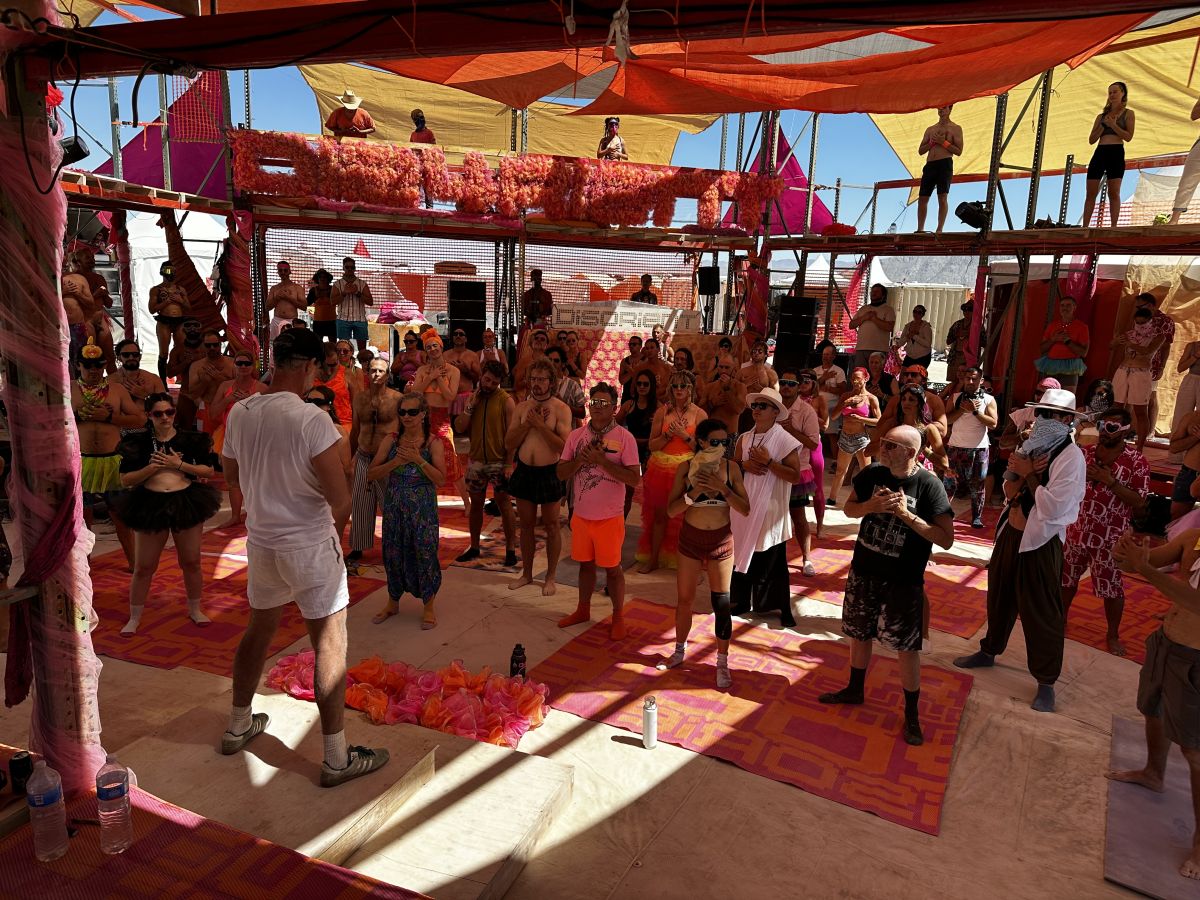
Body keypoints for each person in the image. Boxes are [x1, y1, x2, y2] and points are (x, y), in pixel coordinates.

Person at [220, 328, 389, 787]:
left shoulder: (241, 411)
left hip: (263, 541)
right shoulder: (312, 419)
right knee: (330, 642)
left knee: (259, 628)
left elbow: (230, 475)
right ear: (311, 366)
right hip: (308, 542)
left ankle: (238, 724)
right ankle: (336, 757)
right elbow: (340, 498)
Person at [818, 425, 955, 745]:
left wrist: (906, 515)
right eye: (884, 442)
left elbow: (946, 539)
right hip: (864, 571)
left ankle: (911, 713)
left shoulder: (929, 486)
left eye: (892, 445)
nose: (883, 448)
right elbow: (850, 508)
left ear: (911, 453)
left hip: (903, 580)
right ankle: (855, 689)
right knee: (858, 633)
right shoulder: (873, 473)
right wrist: (871, 507)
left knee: (906, 648)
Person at [954, 388, 1087, 713]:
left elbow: (1054, 508)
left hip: (1040, 541)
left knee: (1041, 610)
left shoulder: (1071, 458)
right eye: (1042, 413)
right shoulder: (1029, 447)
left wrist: (1030, 475)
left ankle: (1046, 681)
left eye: (1053, 415)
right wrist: (1023, 475)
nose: (1045, 420)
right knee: (1000, 595)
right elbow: (1008, 487)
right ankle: (989, 650)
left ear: (1067, 421)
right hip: (1011, 533)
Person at [1106, 527, 1200, 880]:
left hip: (1196, 658)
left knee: (1195, 751)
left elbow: (1196, 602)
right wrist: (1127, 554)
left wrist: (1143, 568)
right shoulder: (1195, 536)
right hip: (1168, 641)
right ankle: (1153, 773)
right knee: (1152, 708)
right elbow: (1142, 561)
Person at [115, 393, 221, 635]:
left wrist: (179, 465)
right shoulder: (139, 442)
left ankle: (195, 609)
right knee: (144, 566)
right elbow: (125, 479)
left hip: (186, 500)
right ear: (149, 415)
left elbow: (208, 470)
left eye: (169, 412)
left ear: (174, 412)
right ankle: (134, 617)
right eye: (158, 413)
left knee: (191, 561)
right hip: (150, 503)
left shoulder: (190, 439)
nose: (165, 417)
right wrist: (151, 468)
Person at [660, 418, 751, 688]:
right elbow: (671, 510)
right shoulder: (686, 467)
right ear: (700, 442)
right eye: (714, 442)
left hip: (720, 541)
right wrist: (696, 491)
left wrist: (723, 489)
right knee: (684, 599)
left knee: (721, 603)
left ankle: (722, 662)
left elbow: (745, 508)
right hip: (691, 539)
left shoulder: (731, 468)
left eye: (725, 442)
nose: (720, 447)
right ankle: (679, 651)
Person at [1060, 407, 1149, 656]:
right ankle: (1060, 620)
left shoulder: (1137, 461)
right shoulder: (1084, 453)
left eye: (1112, 427)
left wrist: (1110, 481)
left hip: (1110, 535)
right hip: (1077, 529)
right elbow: (1066, 485)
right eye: (1102, 426)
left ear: (1125, 430)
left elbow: (1139, 501)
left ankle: (1113, 634)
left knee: (1112, 588)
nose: (1105, 431)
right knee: (1065, 580)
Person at [556, 383, 641, 639]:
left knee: (613, 569)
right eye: (594, 402)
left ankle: (618, 617)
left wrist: (602, 461)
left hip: (610, 516)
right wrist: (580, 460)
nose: (597, 407)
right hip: (582, 514)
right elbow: (560, 473)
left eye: (603, 403)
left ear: (614, 408)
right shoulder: (576, 436)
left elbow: (634, 479)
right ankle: (583, 609)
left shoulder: (625, 438)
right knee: (585, 565)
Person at [368, 392, 446, 629]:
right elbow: (371, 473)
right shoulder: (391, 440)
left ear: (423, 414)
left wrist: (418, 459)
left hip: (422, 508)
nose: (407, 417)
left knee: (424, 551)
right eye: (402, 412)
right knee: (393, 551)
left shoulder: (432, 443)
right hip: (395, 505)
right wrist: (396, 463)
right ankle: (393, 602)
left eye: (412, 412)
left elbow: (441, 479)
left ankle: (429, 605)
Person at [729, 387, 802, 626]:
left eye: (763, 406)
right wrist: (745, 465)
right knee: (741, 550)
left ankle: (775, 606)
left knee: (771, 557)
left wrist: (769, 462)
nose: (757, 410)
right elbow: (733, 465)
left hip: (771, 508)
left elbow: (795, 476)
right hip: (745, 504)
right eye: (755, 405)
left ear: (775, 412)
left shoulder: (785, 439)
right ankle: (740, 601)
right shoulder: (744, 437)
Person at [74, 339, 144, 564]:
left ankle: (134, 562)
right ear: (78, 365)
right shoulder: (69, 390)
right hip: (82, 461)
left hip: (112, 460)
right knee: (83, 519)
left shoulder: (116, 389)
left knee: (121, 516)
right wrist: (76, 416)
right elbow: (51, 421)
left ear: (105, 365)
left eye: (98, 365)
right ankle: (85, 567)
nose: (93, 370)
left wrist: (111, 417)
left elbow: (140, 419)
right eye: (88, 365)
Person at [506, 358, 572, 594]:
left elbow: (564, 447)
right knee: (526, 525)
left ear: (551, 382)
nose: (536, 383)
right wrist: (528, 424)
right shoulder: (522, 407)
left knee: (552, 525)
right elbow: (509, 443)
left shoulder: (561, 409)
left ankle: (550, 577)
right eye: (533, 379)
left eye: (542, 379)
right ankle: (526, 574)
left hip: (549, 472)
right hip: (525, 470)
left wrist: (541, 426)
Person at [452, 361, 517, 566]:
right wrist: (470, 407)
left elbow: (512, 436)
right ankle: (474, 546)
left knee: (504, 504)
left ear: (500, 383)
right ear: (481, 375)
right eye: (487, 379)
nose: (488, 385)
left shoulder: (506, 401)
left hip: (499, 461)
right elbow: (459, 427)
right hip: (477, 460)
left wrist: (508, 464)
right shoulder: (473, 398)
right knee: (476, 505)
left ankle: (510, 550)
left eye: (494, 382)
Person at [638, 372, 704, 573]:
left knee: (686, 519)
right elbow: (652, 445)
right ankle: (654, 559)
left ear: (690, 388)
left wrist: (684, 435)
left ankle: (687, 563)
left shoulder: (700, 414)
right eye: (675, 386)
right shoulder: (662, 412)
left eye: (683, 386)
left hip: (686, 470)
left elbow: (704, 449)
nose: (678, 390)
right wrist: (667, 435)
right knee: (660, 516)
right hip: (661, 468)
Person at [346, 357, 401, 564]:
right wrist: (349, 459)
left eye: (381, 371)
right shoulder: (360, 399)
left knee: (391, 506)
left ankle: (394, 548)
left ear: (387, 375)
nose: (376, 374)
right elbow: (356, 430)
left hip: (387, 459)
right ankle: (358, 547)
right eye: (373, 370)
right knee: (360, 504)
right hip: (363, 455)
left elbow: (403, 430)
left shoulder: (397, 399)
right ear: (367, 373)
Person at [208, 349, 265, 525]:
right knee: (232, 478)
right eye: (239, 363)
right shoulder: (225, 386)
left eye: (247, 363)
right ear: (234, 365)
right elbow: (213, 414)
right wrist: (228, 399)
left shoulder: (261, 388)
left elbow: (268, 416)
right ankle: (235, 516)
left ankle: (257, 514)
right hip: (228, 435)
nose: (243, 367)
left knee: (255, 478)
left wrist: (250, 401)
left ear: (253, 366)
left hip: (253, 437)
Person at [408, 332, 464, 501]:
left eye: (435, 346)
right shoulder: (422, 370)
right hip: (424, 419)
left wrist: (438, 378)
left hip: (442, 419)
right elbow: (415, 393)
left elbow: (450, 396)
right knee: (422, 458)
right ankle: (423, 499)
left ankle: (466, 502)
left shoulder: (453, 371)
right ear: (425, 351)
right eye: (428, 347)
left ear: (441, 347)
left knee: (451, 461)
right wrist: (430, 377)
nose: (432, 349)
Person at [944, 366, 999, 529]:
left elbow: (993, 424)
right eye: (967, 378)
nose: (970, 381)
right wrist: (962, 410)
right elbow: (946, 420)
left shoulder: (989, 399)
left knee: (977, 485)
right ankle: (943, 513)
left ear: (981, 381)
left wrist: (975, 412)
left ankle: (976, 517)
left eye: (974, 378)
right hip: (955, 447)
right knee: (949, 484)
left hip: (979, 449)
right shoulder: (955, 397)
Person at [779, 368, 821, 576]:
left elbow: (813, 444)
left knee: (798, 516)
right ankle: (773, 558)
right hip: (771, 468)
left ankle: (806, 559)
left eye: (791, 383)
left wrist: (791, 431)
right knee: (771, 515)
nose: (786, 387)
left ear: (798, 387)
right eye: (783, 382)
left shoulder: (806, 411)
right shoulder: (771, 406)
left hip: (797, 469)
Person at [1111, 300, 1166, 453]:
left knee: (1140, 411)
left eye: (1143, 323)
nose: (1140, 326)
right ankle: (1115, 441)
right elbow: (1111, 347)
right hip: (1123, 370)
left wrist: (1130, 344)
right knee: (1117, 408)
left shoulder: (1158, 336)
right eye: (1137, 322)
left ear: (1150, 321)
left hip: (1141, 372)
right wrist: (1115, 341)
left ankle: (1140, 448)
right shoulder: (1129, 334)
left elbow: (1147, 351)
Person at [1083, 81, 1135, 228]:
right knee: (1091, 192)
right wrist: (1103, 125)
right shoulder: (1101, 116)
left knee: (1114, 192)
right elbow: (1091, 140)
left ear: (1123, 93)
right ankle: (1085, 226)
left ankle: (1113, 226)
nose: (1112, 95)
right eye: (1110, 92)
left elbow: (1128, 137)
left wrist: (1113, 125)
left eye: (1115, 92)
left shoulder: (1128, 113)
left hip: (1116, 152)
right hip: (1100, 152)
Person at [827, 368, 881, 508]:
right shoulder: (846, 396)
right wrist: (845, 404)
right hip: (845, 436)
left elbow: (879, 421)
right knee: (840, 470)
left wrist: (860, 419)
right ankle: (832, 498)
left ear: (866, 379)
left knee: (866, 472)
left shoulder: (871, 398)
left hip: (861, 438)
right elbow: (834, 416)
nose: (855, 381)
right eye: (853, 379)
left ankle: (867, 499)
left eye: (858, 378)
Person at [616, 367, 657, 518]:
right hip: (630, 451)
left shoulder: (658, 408)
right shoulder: (629, 405)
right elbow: (614, 426)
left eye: (646, 384)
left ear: (651, 386)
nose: (642, 387)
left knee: (650, 492)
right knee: (627, 491)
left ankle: (650, 525)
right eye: (639, 383)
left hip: (648, 452)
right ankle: (621, 524)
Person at [915, 105, 963, 233]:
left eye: (944, 107)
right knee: (922, 198)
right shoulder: (930, 129)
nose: (941, 110)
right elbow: (921, 151)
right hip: (930, 164)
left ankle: (939, 229)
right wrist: (931, 143)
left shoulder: (956, 128)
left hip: (944, 164)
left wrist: (943, 142)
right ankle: (920, 229)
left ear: (950, 109)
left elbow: (959, 151)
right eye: (939, 108)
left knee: (942, 197)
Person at [795, 368, 829, 534]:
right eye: (800, 381)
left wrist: (809, 414)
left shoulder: (819, 399)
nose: (803, 385)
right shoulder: (793, 399)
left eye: (807, 381)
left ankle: (820, 525)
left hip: (813, 446)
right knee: (791, 484)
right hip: (795, 446)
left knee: (818, 487)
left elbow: (826, 425)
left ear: (814, 383)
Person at [73, 248, 115, 374]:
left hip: (100, 318)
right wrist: (96, 294)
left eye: (92, 258)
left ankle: (114, 383)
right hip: (86, 320)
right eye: (87, 258)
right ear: (78, 262)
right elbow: (78, 303)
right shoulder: (75, 278)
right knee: (90, 357)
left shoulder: (99, 278)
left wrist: (105, 295)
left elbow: (109, 304)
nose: (92, 260)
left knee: (110, 357)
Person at [1034, 296, 1089, 393]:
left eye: (1068, 305)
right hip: (1051, 365)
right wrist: (1053, 339)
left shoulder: (1082, 327)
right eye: (1062, 305)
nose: (1065, 308)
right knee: (1048, 396)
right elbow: (1042, 349)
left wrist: (1067, 341)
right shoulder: (1052, 325)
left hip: (1070, 367)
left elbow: (1083, 353)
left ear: (1074, 307)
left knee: (1067, 397)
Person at [148, 260, 189, 383]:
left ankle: (182, 379)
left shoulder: (180, 289)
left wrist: (180, 300)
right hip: (164, 321)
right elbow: (152, 310)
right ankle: (163, 382)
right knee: (164, 352)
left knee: (181, 350)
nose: (170, 273)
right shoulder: (156, 290)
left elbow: (189, 307)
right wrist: (167, 302)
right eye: (168, 270)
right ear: (162, 272)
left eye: (172, 270)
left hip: (179, 321)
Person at [188, 331, 235, 434]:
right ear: (203, 346)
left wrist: (219, 379)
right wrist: (204, 382)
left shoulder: (232, 363)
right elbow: (192, 394)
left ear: (220, 344)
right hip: (206, 410)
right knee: (205, 441)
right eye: (208, 345)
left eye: (215, 345)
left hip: (228, 409)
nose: (212, 348)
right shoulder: (196, 366)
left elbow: (239, 388)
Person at [166, 319, 208, 429]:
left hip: (206, 393)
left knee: (208, 427)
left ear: (201, 327)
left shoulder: (208, 347)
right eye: (188, 325)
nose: (192, 328)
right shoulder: (177, 350)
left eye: (196, 325)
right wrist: (185, 363)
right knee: (183, 428)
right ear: (183, 329)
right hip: (186, 393)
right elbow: (169, 373)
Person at [848, 284, 897, 371]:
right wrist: (864, 317)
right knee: (860, 374)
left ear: (883, 295)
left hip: (879, 349)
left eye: (877, 291)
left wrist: (874, 319)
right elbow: (851, 325)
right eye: (872, 291)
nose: (873, 293)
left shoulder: (888, 309)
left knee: (876, 375)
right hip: (861, 348)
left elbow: (889, 327)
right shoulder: (863, 309)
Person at [61, 254, 97, 371]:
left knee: (81, 362)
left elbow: (91, 304)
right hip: (58, 328)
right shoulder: (48, 279)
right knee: (63, 363)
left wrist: (79, 294)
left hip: (77, 326)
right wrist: (62, 292)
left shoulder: (80, 279)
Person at [331, 257, 373, 351]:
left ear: (355, 268)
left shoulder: (362, 284)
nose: (350, 269)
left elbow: (370, 302)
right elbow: (333, 302)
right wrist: (344, 293)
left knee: (362, 349)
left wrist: (357, 292)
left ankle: (362, 361)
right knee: (343, 349)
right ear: (343, 268)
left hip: (360, 319)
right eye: (347, 267)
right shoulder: (337, 284)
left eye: (352, 267)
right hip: (343, 319)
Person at [814, 343, 847, 460]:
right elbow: (811, 387)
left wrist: (827, 388)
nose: (825, 357)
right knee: (812, 433)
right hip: (815, 407)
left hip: (831, 407)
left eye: (828, 354)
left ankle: (835, 461)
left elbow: (843, 390)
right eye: (824, 354)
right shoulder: (815, 370)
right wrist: (824, 378)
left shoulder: (839, 371)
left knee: (832, 435)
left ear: (834, 356)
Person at [315, 342, 357, 433]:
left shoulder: (347, 373)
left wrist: (356, 430)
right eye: (324, 366)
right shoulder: (311, 375)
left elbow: (356, 405)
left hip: (344, 426)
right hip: (317, 427)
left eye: (333, 365)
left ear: (338, 358)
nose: (329, 371)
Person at [702, 354, 748, 436]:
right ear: (717, 367)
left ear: (733, 368)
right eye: (721, 367)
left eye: (727, 367)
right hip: (712, 433)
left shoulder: (740, 386)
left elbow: (739, 409)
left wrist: (727, 390)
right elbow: (700, 412)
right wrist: (712, 403)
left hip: (730, 434)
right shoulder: (709, 387)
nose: (723, 370)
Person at [110, 339, 165, 407]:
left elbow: (165, 405)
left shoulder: (154, 379)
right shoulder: (111, 381)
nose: (131, 357)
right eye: (126, 355)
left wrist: (145, 395)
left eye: (135, 354)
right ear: (119, 358)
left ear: (140, 357)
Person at [1169, 407, 1200, 521]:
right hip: (1189, 474)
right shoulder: (1192, 418)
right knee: (1176, 519)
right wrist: (1195, 437)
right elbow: (1174, 448)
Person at [1172, 338, 1200, 462]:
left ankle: (1195, 457)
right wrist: (1195, 356)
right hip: (1190, 380)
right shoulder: (1192, 346)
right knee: (1181, 415)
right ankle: (1176, 456)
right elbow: (1180, 368)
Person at [546, 346, 586, 424]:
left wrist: (563, 404)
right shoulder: (539, 382)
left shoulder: (573, 385)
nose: (552, 363)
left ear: (563, 364)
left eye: (556, 361)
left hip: (566, 429)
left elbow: (582, 413)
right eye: (549, 360)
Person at [267, 261, 305, 343]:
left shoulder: (297, 288)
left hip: (292, 321)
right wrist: (277, 298)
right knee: (275, 345)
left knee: (292, 345)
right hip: (277, 321)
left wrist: (289, 298)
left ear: (289, 271)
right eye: (280, 270)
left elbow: (304, 306)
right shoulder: (274, 288)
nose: (283, 272)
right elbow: (267, 307)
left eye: (285, 270)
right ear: (278, 272)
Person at [444, 327, 481, 411]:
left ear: (466, 339)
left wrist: (465, 370)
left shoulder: (472, 355)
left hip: (466, 396)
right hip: (448, 396)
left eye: (461, 334)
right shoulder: (445, 355)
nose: (458, 336)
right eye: (455, 334)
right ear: (452, 338)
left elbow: (478, 378)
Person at [1071, 378, 1113, 448]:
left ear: (1109, 395)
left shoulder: (1111, 416)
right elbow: (1071, 435)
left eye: (1100, 394)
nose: (1096, 397)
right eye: (1093, 394)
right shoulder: (1080, 412)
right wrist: (1082, 424)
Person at [514, 327, 551, 398]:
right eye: (536, 338)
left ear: (547, 345)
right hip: (527, 397)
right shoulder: (524, 361)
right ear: (532, 342)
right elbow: (516, 385)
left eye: (542, 339)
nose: (539, 340)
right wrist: (530, 381)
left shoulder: (550, 360)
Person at [637, 337, 674, 403]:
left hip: (662, 403)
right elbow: (634, 388)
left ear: (658, 349)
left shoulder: (666, 367)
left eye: (652, 348)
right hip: (645, 402)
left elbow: (668, 387)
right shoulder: (641, 368)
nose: (649, 350)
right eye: (647, 348)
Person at [945, 300, 973, 379]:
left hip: (969, 357)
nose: (966, 312)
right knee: (953, 378)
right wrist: (957, 335)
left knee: (967, 379)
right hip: (955, 356)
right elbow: (948, 341)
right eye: (964, 309)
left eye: (970, 309)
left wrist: (970, 335)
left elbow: (984, 342)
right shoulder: (957, 324)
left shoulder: (977, 326)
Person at [307, 268, 337, 341]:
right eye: (320, 277)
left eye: (324, 277)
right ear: (317, 279)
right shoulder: (313, 290)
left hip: (331, 321)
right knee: (318, 343)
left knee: (333, 343)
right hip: (318, 321)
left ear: (328, 278)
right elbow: (307, 303)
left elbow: (337, 301)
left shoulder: (333, 289)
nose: (322, 279)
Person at [618, 334, 644, 401]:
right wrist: (631, 372)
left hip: (642, 395)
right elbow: (621, 381)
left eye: (634, 344)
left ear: (640, 346)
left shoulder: (645, 360)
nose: (631, 346)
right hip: (627, 396)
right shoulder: (625, 361)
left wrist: (631, 371)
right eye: (630, 344)